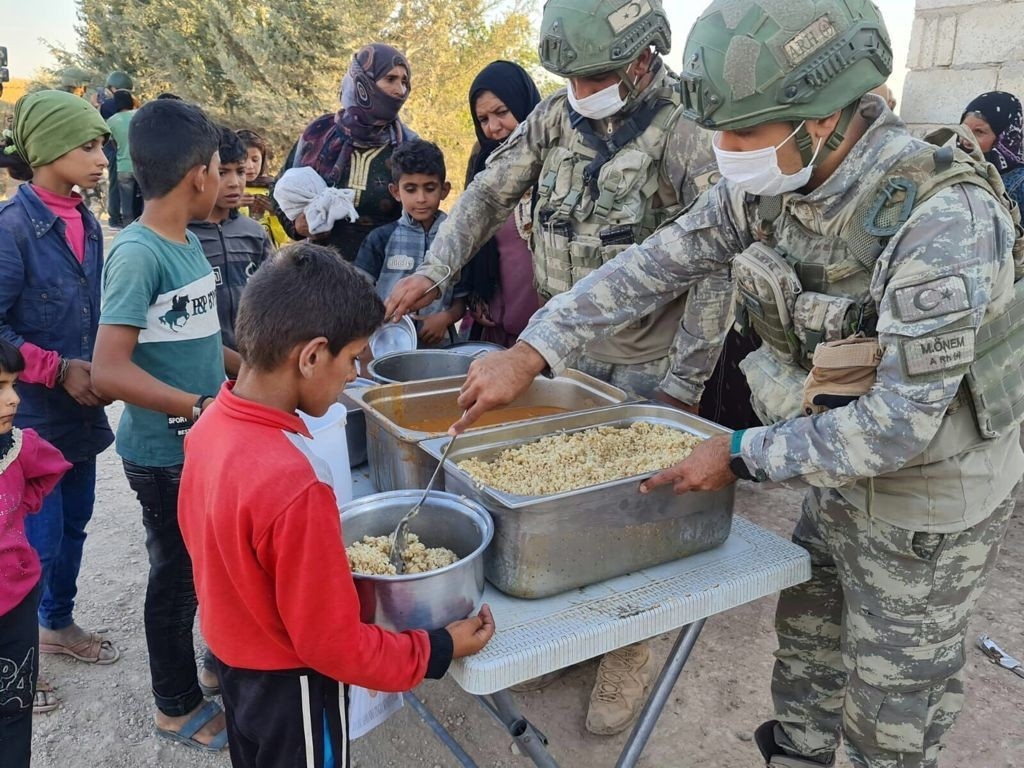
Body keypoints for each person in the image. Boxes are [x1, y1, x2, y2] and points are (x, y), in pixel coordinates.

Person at [446, 1, 1024, 766]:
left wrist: (740, 453)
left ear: (822, 118)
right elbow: (656, 262)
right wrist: (535, 350)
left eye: (742, 134)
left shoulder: (943, 218)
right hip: (831, 465)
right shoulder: (779, 175)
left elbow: (898, 426)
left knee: (892, 712)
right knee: (808, 660)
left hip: (927, 503)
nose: (723, 152)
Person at [385, 0, 730, 737]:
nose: (580, 92)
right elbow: (489, 193)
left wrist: (684, 386)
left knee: (639, 515)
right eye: (570, 78)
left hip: (646, 364)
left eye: (594, 76)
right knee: (568, 504)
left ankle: (630, 647)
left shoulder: (685, 129)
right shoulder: (554, 117)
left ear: (643, 58)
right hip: (560, 352)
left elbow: (717, 267)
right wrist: (436, 269)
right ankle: (582, 630)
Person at [177, 243, 495, 767]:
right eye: (352, 359)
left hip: (235, 663)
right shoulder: (293, 484)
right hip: (292, 689)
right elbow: (332, 644)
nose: (354, 375)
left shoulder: (210, 424)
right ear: (311, 356)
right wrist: (437, 648)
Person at [91, 98, 241, 753]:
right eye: (221, 168)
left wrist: (252, 369)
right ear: (198, 175)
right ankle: (175, 707)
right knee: (176, 580)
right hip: (163, 455)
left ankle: (212, 665)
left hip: (200, 445)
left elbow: (201, 337)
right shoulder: (138, 254)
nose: (225, 179)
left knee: (208, 567)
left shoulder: (187, 243)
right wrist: (198, 407)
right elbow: (108, 371)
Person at [0, 90, 121, 717]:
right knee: (31, 544)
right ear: (48, 150)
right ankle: (15, 659)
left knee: (76, 522)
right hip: (31, 417)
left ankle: (56, 623)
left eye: (103, 146)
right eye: (88, 146)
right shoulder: (11, 229)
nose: (102, 159)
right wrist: (57, 368)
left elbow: (94, 313)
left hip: (81, 411)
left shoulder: (87, 221)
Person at [274, 43, 416, 261]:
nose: (400, 90)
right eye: (390, 79)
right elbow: (278, 187)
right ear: (362, 81)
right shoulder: (319, 133)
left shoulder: (408, 145)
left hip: (386, 270)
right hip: (320, 270)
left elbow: (424, 212)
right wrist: (296, 225)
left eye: (404, 82)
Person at [0, 340, 71, 767]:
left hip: (15, 605)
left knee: (12, 705)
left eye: (12, 384)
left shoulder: (18, 447)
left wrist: (19, 509)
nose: (13, 398)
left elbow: (51, 467)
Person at [461, 60, 542, 348]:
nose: (493, 128)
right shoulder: (483, 164)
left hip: (550, 330)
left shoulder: (557, 160)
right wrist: (476, 293)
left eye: (502, 112)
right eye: (483, 119)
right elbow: (471, 233)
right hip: (498, 327)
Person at [355, 140, 467, 347]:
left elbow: (461, 299)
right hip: (388, 344)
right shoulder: (381, 239)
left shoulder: (455, 240)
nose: (421, 198)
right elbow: (358, 295)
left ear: (444, 190)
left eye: (430, 188)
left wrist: (444, 318)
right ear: (395, 192)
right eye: (410, 189)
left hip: (439, 345)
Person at [188, 127, 273, 350]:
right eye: (223, 172)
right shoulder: (183, 236)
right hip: (202, 358)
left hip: (253, 355)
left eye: (241, 172)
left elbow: (272, 298)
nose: (234, 183)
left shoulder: (254, 233)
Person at [962, 91, 1024, 211]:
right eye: (964, 130)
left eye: (979, 132)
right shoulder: (953, 169)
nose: (966, 140)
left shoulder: (1019, 184)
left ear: (1004, 137)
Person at [236, 128, 289, 248]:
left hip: (268, 255)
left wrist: (274, 213)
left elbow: (282, 238)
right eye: (243, 159)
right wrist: (233, 206)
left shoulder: (273, 189)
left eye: (255, 160)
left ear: (263, 159)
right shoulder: (227, 190)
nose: (250, 166)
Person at [100, 72, 134, 227]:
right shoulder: (134, 107)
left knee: (115, 185)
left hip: (114, 148)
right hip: (129, 153)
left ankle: (116, 217)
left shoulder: (108, 105)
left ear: (113, 88)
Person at [105, 89, 139, 228]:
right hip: (141, 165)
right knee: (144, 202)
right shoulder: (139, 116)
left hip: (123, 167)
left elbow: (113, 144)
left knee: (126, 205)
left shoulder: (111, 121)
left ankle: (127, 228)